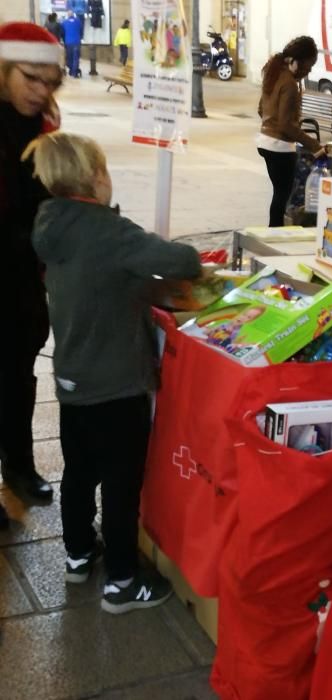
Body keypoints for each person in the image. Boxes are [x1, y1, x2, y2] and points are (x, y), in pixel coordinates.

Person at [28, 131, 202, 613]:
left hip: (72, 382)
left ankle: (79, 555)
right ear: (96, 178)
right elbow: (179, 260)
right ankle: (123, 580)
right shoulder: (107, 230)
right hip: (117, 385)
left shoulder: (49, 222)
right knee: (122, 484)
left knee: (79, 475)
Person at [0, 21, 63, 529]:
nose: (41, 91)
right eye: (31, 78)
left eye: (51, 81)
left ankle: (19, 467)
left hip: (22, 280)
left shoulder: (45, 128)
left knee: (19, 379)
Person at [256, 35, 327, 227]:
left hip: (264, 142)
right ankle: (274, 233)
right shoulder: (289, 84)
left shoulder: (273, 73)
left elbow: (261, 109)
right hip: (280, 147)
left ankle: (273, 232)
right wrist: (315, 146)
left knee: (279, 193)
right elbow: (287, 125)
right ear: (298, 60)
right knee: (282, 195)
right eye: (309, 65)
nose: (309, 70)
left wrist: (270, 125)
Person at [62, 10, 82, 78]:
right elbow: (81, 31)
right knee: (76, 58)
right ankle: (74, 72)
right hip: (77, 42)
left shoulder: (64, 22)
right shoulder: (78, 21)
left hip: (68, 42)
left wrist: (64, 40)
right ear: (73, 15)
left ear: (68, 15)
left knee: (69, 58)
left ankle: (72, 70)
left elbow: (63, 33)